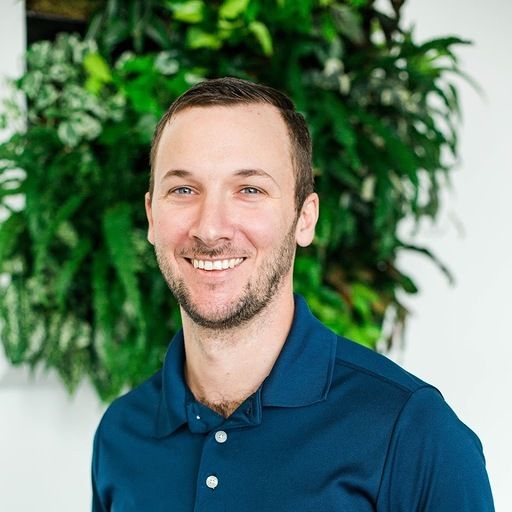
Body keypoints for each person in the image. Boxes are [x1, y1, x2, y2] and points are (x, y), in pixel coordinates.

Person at [91, 77, 494, 511]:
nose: (209, 228)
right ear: (152, 216)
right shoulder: (121, 434)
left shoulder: (413, 430)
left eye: (249, 190)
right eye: (183, 190)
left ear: (305, 218)